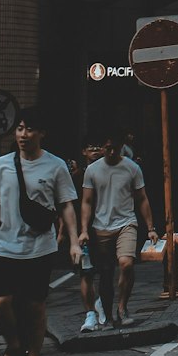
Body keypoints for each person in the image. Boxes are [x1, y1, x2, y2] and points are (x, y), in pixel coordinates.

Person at [0, 108, 81, 356]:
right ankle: (14, 346)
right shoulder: (2, 165)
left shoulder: (55, 166)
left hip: (39, 249)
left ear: (41, 133)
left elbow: (66, 205)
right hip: (6, 248)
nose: (23, 134)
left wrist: (74, 242)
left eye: (29, 129)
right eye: (19, 128)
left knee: (35, 307)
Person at [79, 130, 159, 326]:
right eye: (108, 148)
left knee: (126, 264)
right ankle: (107, 312)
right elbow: (87, 202)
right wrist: (83, 230)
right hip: (101, 227)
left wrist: (150, 227)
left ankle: (122, 308)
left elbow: (142, 198)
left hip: (126, 223)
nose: (112, 152)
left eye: (115, 148)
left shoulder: (132, 168)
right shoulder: (93, 170)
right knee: (105, 274)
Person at [65, 138, 110, 332]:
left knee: (106, 272)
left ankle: (101, 302)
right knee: (86, 272)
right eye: (90, 148)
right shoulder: (77, 177)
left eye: (97, 147)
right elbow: (67, 205)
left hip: (106, 228)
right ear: (83, 151)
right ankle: (90, 313)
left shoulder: (108, 172)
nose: (95, 151)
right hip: (84, 233)